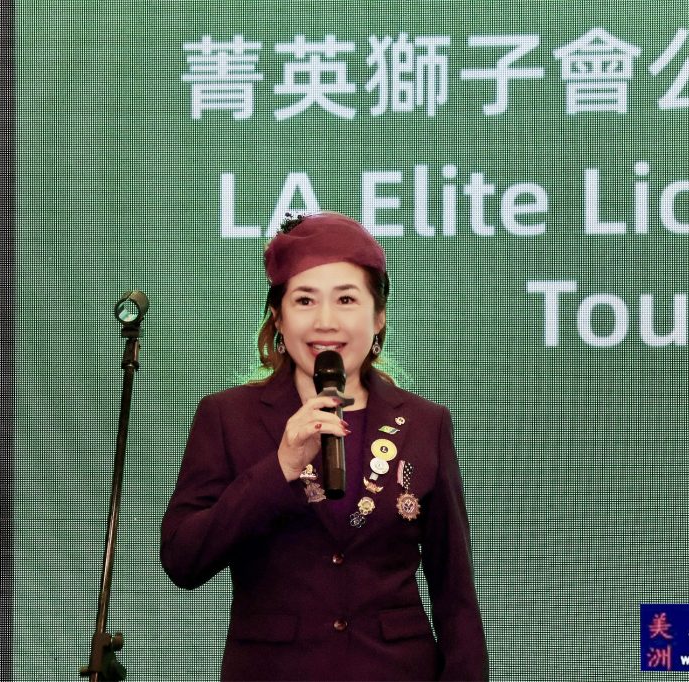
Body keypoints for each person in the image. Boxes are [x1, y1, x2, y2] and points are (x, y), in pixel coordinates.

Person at [160, 211, 488, 681]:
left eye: (347, 299)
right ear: (278, 316)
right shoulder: (227, 417)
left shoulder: (424, 423)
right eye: (305, 300)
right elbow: (183, 560)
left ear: (379, 316)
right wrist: (280, 467)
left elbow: (454, 593)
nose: (326, 321)